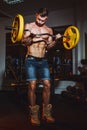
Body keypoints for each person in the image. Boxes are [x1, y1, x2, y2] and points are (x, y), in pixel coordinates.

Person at [21, 8, 62, 125]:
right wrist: (37, 38)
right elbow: (24, 42)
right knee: (32, 85)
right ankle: (34, 114)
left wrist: (56, 40)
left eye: (43, 20)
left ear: (46, 18)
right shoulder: (29, 26)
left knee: (47, 84)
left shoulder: (48, 30)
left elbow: (49, 46)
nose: (40, 22)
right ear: (36, 15)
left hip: (43, 60)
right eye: (39, 19)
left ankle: (46, 113)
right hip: (31, 59)